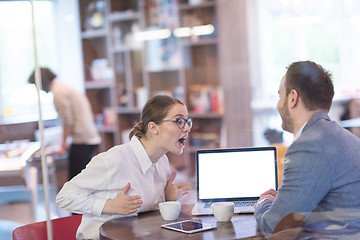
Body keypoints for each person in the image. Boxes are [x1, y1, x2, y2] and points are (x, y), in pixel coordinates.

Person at [56, 95, 192, 239]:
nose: (187, 128)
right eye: (179, 121)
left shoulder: (162, 161)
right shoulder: (114, 160)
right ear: (153, 127)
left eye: (187, 121)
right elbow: (64, 197)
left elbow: (146, 214)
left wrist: (167, 199)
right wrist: (109, 205)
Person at [254, 61, 360, 238]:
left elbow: (276, 227)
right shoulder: (347, 138)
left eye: (280, 96)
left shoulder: (306, 147)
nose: (278, 105)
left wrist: (263, 204)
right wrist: (283, 200)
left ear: (293, 98)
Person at [28, 67, 101, 180]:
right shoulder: (64, 88)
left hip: (83, 140)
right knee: (82, 179)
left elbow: (67, 122)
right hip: (88, 137)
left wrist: (62, 145)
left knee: (75, 182)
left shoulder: (59, 93)